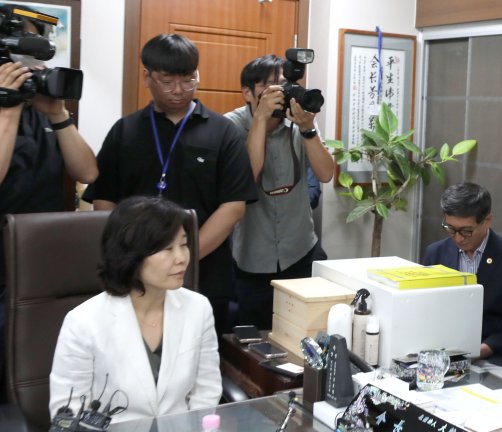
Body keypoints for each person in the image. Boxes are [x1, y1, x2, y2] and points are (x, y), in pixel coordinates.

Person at [84, 34, 257, 337]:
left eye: (188, 80)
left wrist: (183, 257)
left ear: (197, 75)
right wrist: (137, 259)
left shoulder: (223, 132)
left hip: (205, 274)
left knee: (199, 359)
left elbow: (233, 207)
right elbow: (105, 201)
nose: (179, 90)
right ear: (147, 77)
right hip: (135, 274)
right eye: (166, 81)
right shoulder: (125, 131)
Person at [49, 196, 222, 424]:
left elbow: (206, 390)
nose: (181, 258)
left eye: (183, 244)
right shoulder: (83, 322)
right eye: (167, 248)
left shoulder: (198, 308)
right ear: (131, 256)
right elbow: (68, 410)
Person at [0, 5, 98, 403]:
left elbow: (88, 172)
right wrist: (7, 112)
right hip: (2, 262)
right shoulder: (9, 109)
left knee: (41, 363)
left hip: (44, 257)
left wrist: (58, 115)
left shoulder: (41, 107)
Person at [224, 54, 333, 330]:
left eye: (282, 85)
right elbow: (247, 178)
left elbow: (326, 173)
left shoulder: (297, 122)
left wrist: (308, 128)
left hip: (300, 249)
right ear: (247, 93)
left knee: (306, 333)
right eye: (269, 86)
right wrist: (260, 119)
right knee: (256, 342)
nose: (279, 93)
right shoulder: (230, 127)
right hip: (252, 258)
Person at [422, 182, 502, 384]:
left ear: (487, 221)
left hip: (495, 357)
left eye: (466, 231)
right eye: (450, 229)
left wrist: (482, 350)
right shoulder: (436, 253)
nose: (458, 238)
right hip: (442, 355)